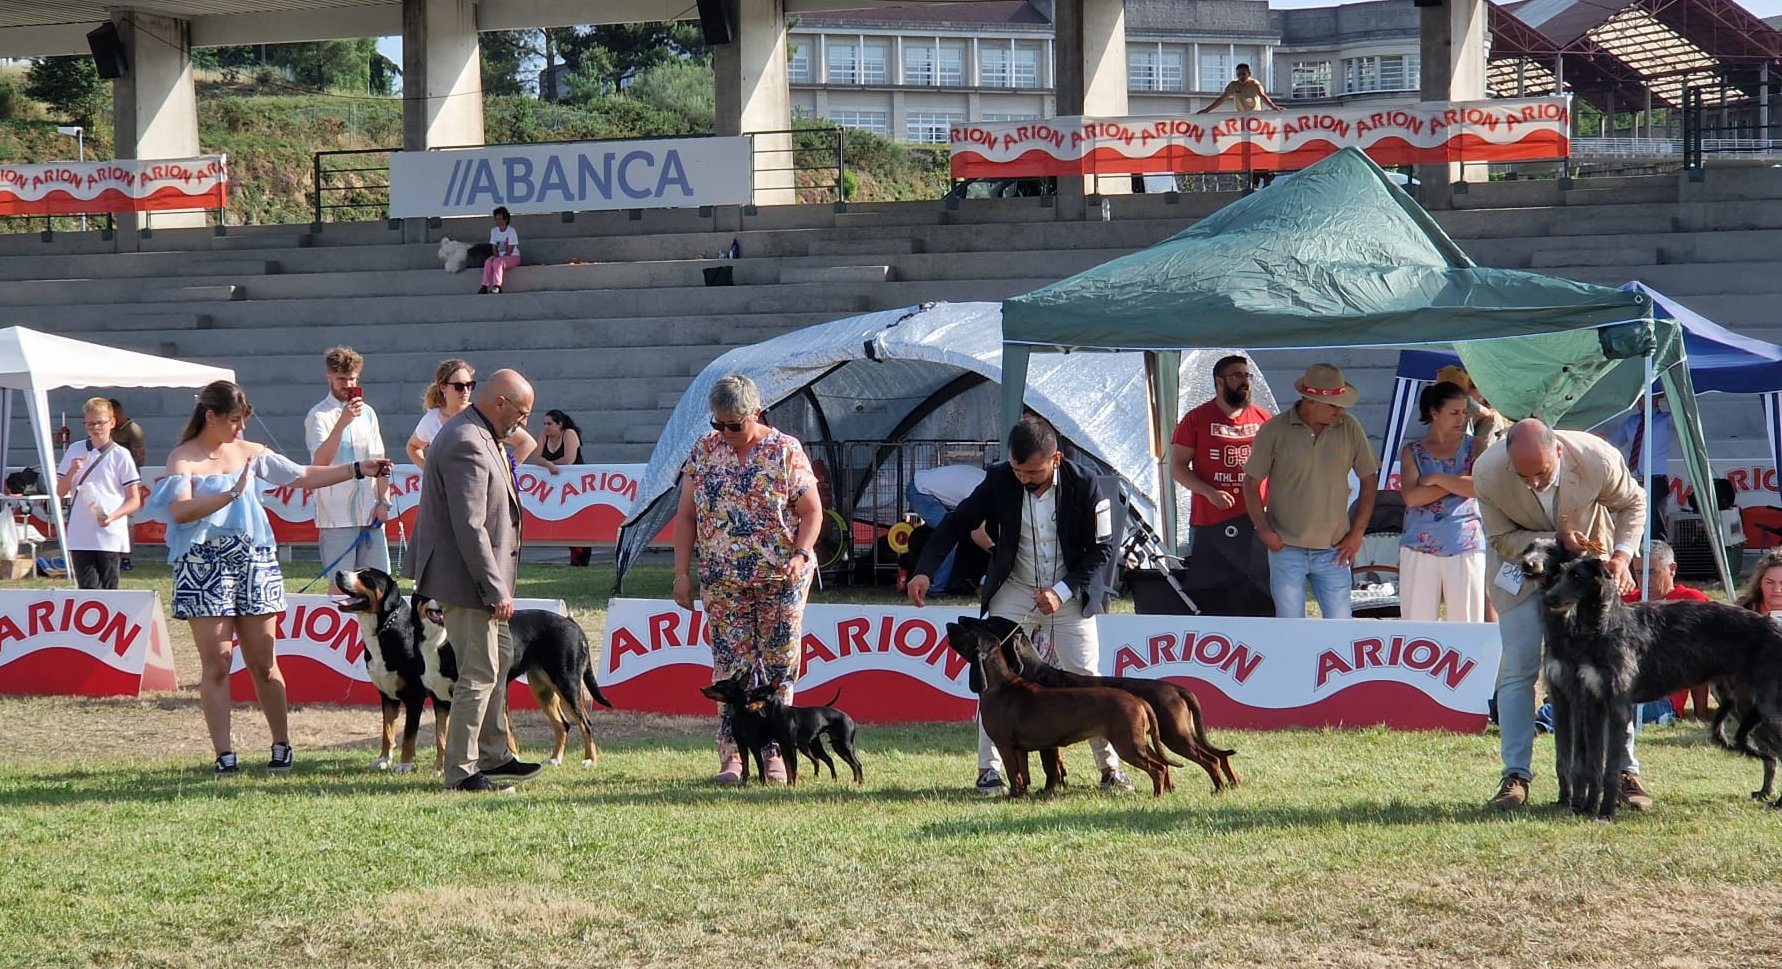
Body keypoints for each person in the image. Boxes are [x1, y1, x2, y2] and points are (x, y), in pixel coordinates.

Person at [143, 380, 392, 776]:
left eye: (244, 422)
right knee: (218, 663)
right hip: (203, 567)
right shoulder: (183, 458)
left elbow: (302, 476)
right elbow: (180, 510)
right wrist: (229, 494)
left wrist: (358, 469)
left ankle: (281, 744)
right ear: (212, 417)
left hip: (253, 562)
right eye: (235, 421)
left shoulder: (252, 452)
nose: (240, 430)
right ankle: (224, 754)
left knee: (264, 662)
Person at [906, 415, 1128, 795]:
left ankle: (1110, 769)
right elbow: (957, 524)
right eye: (1017, 469)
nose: (1023, 478)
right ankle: (988, 770)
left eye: (1032, 471)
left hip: (1070, 593)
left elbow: (1103, 549)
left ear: (1055, 459)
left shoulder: (1087, 483)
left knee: (1086, 675)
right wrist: (923, 570)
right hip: (1013, 589)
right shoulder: (997, 479)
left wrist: (1062, 589)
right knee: (993, 679)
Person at [1473, 418, 1649, 811]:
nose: (1534, 482)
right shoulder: (1487, 471)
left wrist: (1621, 555)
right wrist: (1553, 542)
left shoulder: (1597, 458)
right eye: (1524, 476)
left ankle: (1624, 771)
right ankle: (1515, 776)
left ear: (1559, 452)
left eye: (1541, 473)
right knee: (1518, 668)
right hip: (1521, 570)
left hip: (1587, 575)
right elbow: (1499, 537)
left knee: (1611, 671)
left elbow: (1634, 502)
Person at [671, 374, 822, 787]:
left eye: (733, 425)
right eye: (717, 423)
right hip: (723, 582)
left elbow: (812, 512)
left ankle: (775, 752)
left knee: (777, 668)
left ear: (755, 414)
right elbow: (686, 517)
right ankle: (733, 755)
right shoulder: (703, 451)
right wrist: (682, 574)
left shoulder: (785, 451)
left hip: (781, 579)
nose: (725, 432)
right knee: (731, 669)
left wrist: (801, 552)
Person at [405, 369, 542, 793]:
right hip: (467, 582)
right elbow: (470, 526)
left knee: (497, 664)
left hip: (473, 579)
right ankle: (462, 771)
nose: (521, 423)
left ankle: (495, 756)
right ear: (499, 402)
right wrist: (493, 587)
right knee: (479, 673)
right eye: (520, 413)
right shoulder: (467, 441)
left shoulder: (479, 434)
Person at [1243, 363, 1379, 619]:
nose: (1340, 409)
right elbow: (1250, 484)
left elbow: (1369, 481)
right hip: (1286, 547)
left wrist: (1357, 534)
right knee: (1291, 625)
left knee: (1340, 626)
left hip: (1335, 548)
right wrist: (1264, 530)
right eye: (1333, 404)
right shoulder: (1274, 430)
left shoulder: (1350, 427)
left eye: (1342, 402)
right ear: (1309, 400)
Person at [305, 346, 391, 594]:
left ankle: (371, 634)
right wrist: (342, 423)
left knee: (377, 586)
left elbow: (381, 461)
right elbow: (319, 462)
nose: (348, 384)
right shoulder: (319, 415)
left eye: (352, 378)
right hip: (336, 516)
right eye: (342, 378)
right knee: (341, 587)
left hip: (370, 512)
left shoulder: (369, 414)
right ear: (329, 377)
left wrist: (384, 501)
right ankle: (339, 632)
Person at [1397, 381, 1485, 622]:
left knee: (1467, 622)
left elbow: (1477, 487)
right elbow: (1413, 497)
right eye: (1454, 413)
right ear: (1434, 413)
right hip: (1418, 544)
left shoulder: (1476, 445)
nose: (1461, 418)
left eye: (1465, 412)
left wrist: (1437, 478)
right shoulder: (1413, 451)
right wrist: (1457, 482)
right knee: (1417, 624)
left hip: (1464, 543)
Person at [53, 397, 142, 590]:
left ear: (111, 422)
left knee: (109, 591)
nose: (95, 428)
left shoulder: (121, 455)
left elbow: (134, 500)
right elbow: (59, 491)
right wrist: (72, 471)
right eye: (90, 423)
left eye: (100, 423)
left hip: (110, 535)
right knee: (87, 591)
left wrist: (114, 515)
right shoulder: (75, 449)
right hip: (80, 536)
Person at [1621, 540, 1711, 721]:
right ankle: (1550, 718)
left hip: (1662, 698)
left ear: (1672, 569)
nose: (1645, 580)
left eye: (1652, 572)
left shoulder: (1691, 602)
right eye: (1639, 573)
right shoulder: (1626, 602)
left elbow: (1702, 662)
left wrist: (1700, 714)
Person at [408, 357, 540, 473]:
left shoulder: (481, 415)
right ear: (443, 387)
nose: (465, 391)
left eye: (469, 385)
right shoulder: (432, 418)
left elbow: (527, 443)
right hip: (445, 492)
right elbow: (412, 447)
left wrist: (505, 471)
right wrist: (427, 468)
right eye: (459, 386)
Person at [904, 464, 990, 594]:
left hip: (924, 484)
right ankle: (937, 588)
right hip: (921, 491)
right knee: (947, 541)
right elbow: (978, 534)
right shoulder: (983, 493)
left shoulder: (988, 482)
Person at [1602, 392, 1675, 542]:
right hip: (1634, 478)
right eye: (1639, 397)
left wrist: (1668, 394)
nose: (1639, 401)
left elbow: (1683, 417)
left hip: (1654, 479)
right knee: (1633, 519)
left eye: (1644, 397)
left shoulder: (1667, 420)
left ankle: (1658, 558)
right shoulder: (1632, 421)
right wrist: (1598, 440)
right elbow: (1613, 443)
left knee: (1655, 524)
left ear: (1655, 398)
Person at [534, 409, 590, 566]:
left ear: (560, 424)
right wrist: (548, 464)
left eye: (550, 424)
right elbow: (537, 457)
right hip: (555, 486)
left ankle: (580, 560)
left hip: (577, 485)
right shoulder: (544, 435)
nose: (546, 427)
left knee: (577, 520)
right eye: (545, 423)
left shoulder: (569, 434)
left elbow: (569, 460)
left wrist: (551, 464)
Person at [107, 397, 147, 572]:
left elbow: (140, 457)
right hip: (109, 480)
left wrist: (127, 468)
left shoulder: (133, 430)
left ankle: (126, 557)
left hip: (127, 480)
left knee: (127, 521)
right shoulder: (106, 429)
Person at [478, 206, 521, 295]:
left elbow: (510, 249)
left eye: (501, 219)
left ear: (506, 219)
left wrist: (499, 258)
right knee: (488, 261)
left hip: (513, 257)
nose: (499, 222)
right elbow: (494, 247)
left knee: (498, 262)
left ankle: (497, 286)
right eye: (496, 219)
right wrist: (496, 256)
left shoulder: (511, 231)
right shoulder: (494, 231)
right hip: (500, 257)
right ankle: (484, 286)